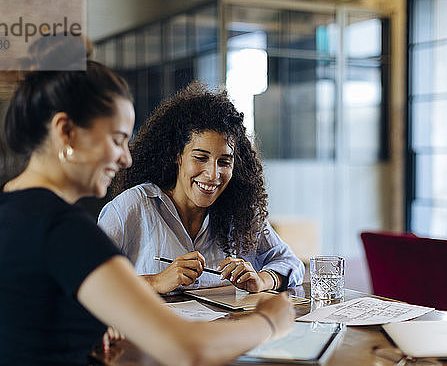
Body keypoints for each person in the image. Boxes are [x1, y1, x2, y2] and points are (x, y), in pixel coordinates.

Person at [0, 40, 294, 366]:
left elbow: (31, 316)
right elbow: (187, 351)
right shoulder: (64, 230)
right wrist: (270, 320)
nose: (126, 159)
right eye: (118, 139)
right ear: (66, 132)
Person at [98, 83, 305, 294]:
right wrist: (155, 281)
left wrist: (262, 279)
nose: (213, 174)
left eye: (224, 161)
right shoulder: (132, 207)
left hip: (226, 326)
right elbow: (87, 280)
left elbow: (289, 262)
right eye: (200, 158)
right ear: (177, 155)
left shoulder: (241, 213)